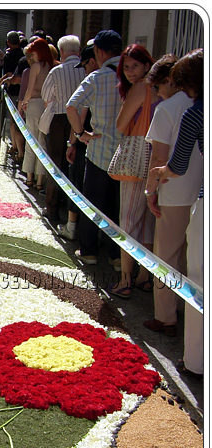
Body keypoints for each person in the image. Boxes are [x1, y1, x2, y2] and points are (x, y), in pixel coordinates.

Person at [147, 49, 203, 375]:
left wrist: (154, 181)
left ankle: (171, 323)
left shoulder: (186, 111)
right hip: (194, 194)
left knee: (172, 260)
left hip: (183, 195)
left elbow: (174, 164)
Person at [66, 30, 123, 270]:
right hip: (128, 155)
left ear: (98, 51)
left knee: (93, 202)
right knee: (119, 208)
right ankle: (118, 256)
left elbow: (72, 106)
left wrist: (80, 134)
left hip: (99, 150)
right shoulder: (139, 77)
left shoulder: (97, 77)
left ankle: (89, 251)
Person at [108, 44, 161, 299]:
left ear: (147, 65)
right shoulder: (161, 88)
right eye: (126, 67)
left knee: (128, 220)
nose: (130, 72)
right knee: (148, 220)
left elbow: (120, 124)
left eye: (135, 66)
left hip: (136, 154)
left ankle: (125, 279)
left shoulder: (140, 88)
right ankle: (144, 277)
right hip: (157, 153)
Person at [40, 34, 86, 220]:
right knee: (75, 167)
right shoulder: (87, 71)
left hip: (60, 119)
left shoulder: (57, 71)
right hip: (82, 121)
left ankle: (52, 208)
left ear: (62, 52)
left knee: (56, 163)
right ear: (78, 51)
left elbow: (46, 96)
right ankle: (73, 213)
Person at [58, 43, 99, 240]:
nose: (84, 70)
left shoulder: (94, 81)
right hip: (106, 144)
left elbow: (77, 111)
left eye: (85, 65)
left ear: (92, 61)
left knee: (77, 184)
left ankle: (73, 227)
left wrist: (73, 141)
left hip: (87, 142)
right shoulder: (118, 80)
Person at [18, 38, 53, 190]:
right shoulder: (53, 66)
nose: (31, 57)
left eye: (33, 53)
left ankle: (30, 177)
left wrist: (24, 103)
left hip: (34, 105)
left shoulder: (36, 67)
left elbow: (30, 89)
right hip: (47, 106)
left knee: (31, 141)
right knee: (42, 143)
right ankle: (40, 180)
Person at [0, 31, 25, 159]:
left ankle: (15, 147)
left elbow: (10, 74)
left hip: (14, 92)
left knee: (14, 122)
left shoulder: (9, 56)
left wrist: (4, 80)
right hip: (25, 92)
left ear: (8, 42)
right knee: (20, 122)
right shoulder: (24, 54)